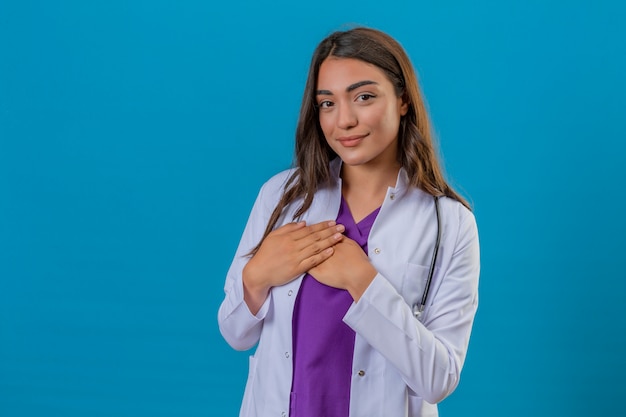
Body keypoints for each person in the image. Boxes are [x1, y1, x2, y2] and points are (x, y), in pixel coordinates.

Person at [218, 26, 480, 417]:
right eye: (327, 103)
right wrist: (257, 276)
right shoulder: (281, 198)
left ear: (403, 100)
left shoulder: (450, 223)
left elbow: (438, 380)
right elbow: (236, 333)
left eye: (363, 97)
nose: (343, 121)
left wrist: (362, 281)